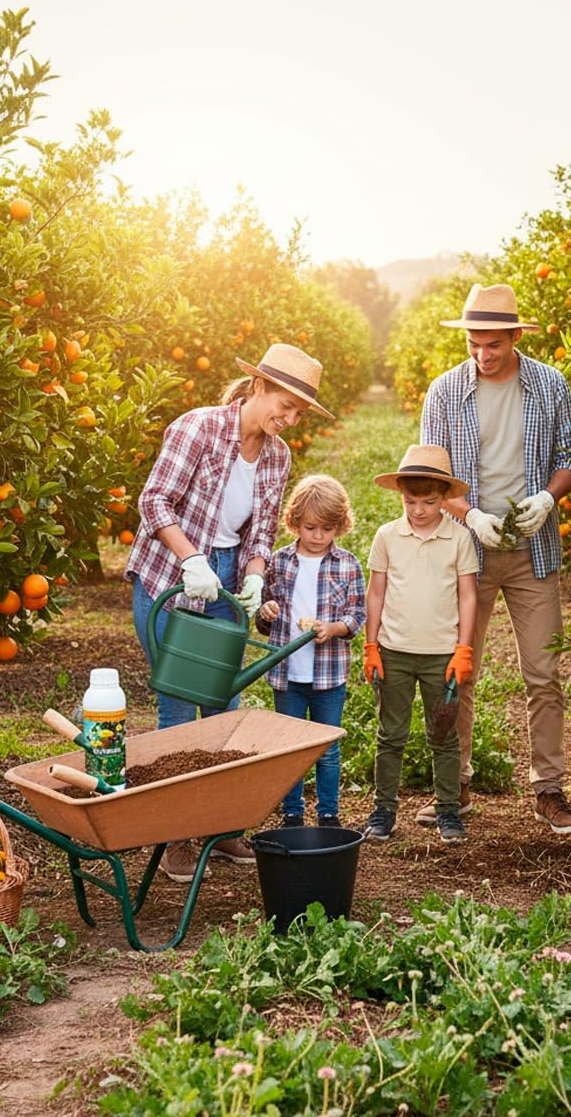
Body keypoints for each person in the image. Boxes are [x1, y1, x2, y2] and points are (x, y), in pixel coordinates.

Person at [126, 343, 333, 880]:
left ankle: (219, 832)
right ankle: (174, 839)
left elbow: (261, 530)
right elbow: (154, 503)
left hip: (224, 580)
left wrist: (257, 573)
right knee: (177, 709)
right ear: (259, 387)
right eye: (283, 405)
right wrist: (192, 559)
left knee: (224, 705)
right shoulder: (198, 429)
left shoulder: (278, 456)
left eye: (297, 414)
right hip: (172, 572)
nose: (287, 420)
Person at [418, 283, 571, 835]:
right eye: (473, 344)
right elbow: (431, 478)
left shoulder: (549, 384)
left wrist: (548, 497)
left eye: (493, 344)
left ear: (515, 336)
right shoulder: (444, 393)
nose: (483, 355)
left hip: (533, 551)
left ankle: (549, 790)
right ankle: (455, 786)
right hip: (470, 551)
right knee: (458, 671)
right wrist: (468, 515)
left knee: (544, 674)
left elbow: (570, 456)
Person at [361, 445, 479, 844]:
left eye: (429, 501)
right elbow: (376, 592)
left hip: (441, 656)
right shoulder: (387, 537)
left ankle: (448, 810)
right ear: (401, 497)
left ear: (444, 498)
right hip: (394, 651)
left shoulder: (459, 538)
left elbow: (468, 596)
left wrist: (463, 650)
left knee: (444, 735)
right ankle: (383, 811)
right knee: (390, 735)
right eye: (411, 501)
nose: (419, 510)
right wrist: (371, 645)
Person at [255, 475, 365, 828]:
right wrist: (265, 611)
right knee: (290, 748)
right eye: (311, 527)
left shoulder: (347, 564)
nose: (318, 536)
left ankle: (329, 814)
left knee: (327, 748)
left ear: (340, 526)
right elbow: (264, 612)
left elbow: (357, 615)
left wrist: (333, 629)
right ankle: (292, 814)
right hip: (286, 674)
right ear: (295, 522)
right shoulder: (279, 561)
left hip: (328, 675)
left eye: (327, 529)